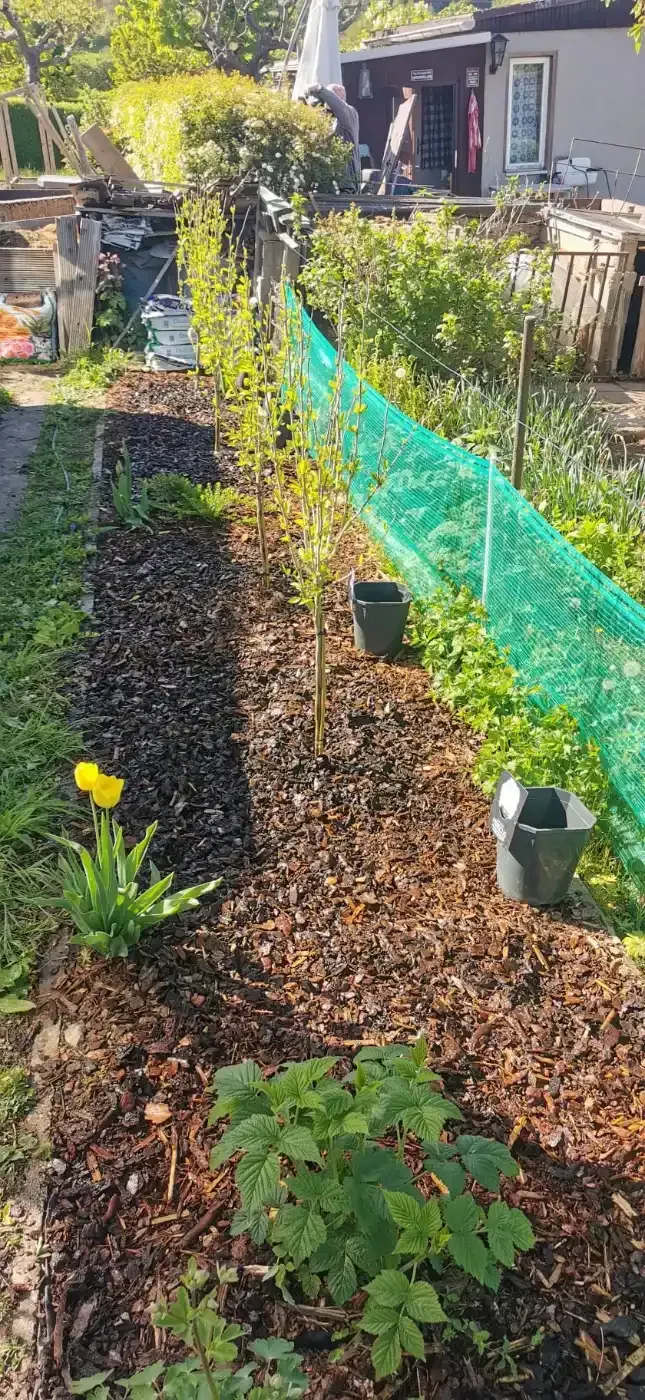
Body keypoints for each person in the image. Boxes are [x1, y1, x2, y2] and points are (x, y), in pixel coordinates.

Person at [306, 82, 361, 192]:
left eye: (329, 97)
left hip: (346, 186)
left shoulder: (350, 114)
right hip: (330, 184)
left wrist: (321, 90)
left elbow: (340, 107)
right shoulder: (329, 119)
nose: (326, 102)